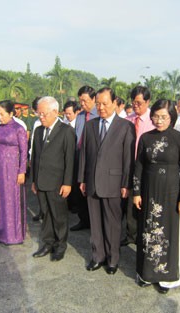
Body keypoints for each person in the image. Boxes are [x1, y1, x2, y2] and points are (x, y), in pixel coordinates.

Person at [133, 99, 180, 294]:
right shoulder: (146, 138)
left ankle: (166, 278)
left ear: (171, 117)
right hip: (149, 192)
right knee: (148, 231)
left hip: (171, 194)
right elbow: (139, 166)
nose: (159, 121)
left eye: (163, 117)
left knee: (169, 232)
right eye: (156, 116)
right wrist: (136, 192)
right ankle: (146, 275)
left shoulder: (179, 139)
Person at [78, 87, 135, 274]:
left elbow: (128, 159)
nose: (101, 107)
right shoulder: (90, 125)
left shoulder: (125, 126)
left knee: (112, 223)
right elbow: (84, 155)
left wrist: (126, 183)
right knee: (95, 223)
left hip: (114, 182)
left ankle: (112, 259)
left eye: (105, 103)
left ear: (115, 103)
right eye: (99, 103)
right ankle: (98, 256)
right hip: (92, 181)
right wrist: (82, 179)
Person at [31, 96, 75, 261]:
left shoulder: (66, 131)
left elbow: (70, 159)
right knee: (45, 214)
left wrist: (67, 183)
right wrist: (34, 180)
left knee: (59, 216)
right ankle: (47, 243)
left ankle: (60, 245)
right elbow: (35, 156)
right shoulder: (38, 130)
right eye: (39, 114)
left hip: (57, 182)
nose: (41, 117)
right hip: (41, 181)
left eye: (44, 114)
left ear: (55, 112)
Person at [0, 100, 28, 245]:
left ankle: (14, 235)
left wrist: (22, 171)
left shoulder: (19, 129)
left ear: (11, 113)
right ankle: (1, 232)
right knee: (0, 198)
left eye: (2, 114)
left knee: (12, 199)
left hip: (13, 168)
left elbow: (24, 152)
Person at [122, 86, 156, 246]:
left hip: (148, 167)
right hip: (130, 166)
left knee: (147, 201)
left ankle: (146, 234)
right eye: (133, 102)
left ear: (148, 101)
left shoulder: (154, 120)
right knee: (130, 203)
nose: (135, 105)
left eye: (139, 102)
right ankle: (131, 234)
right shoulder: (127, 121)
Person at [71, 86, 98, 231]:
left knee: (92, 191)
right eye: (80, 101)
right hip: (79, 156)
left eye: (85, 100)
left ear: (93, 99)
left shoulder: (99, 115)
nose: (82, 104)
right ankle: (83, 220)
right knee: (79, 190)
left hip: (92, 158)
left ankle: (94, 222)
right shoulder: (80, 116)